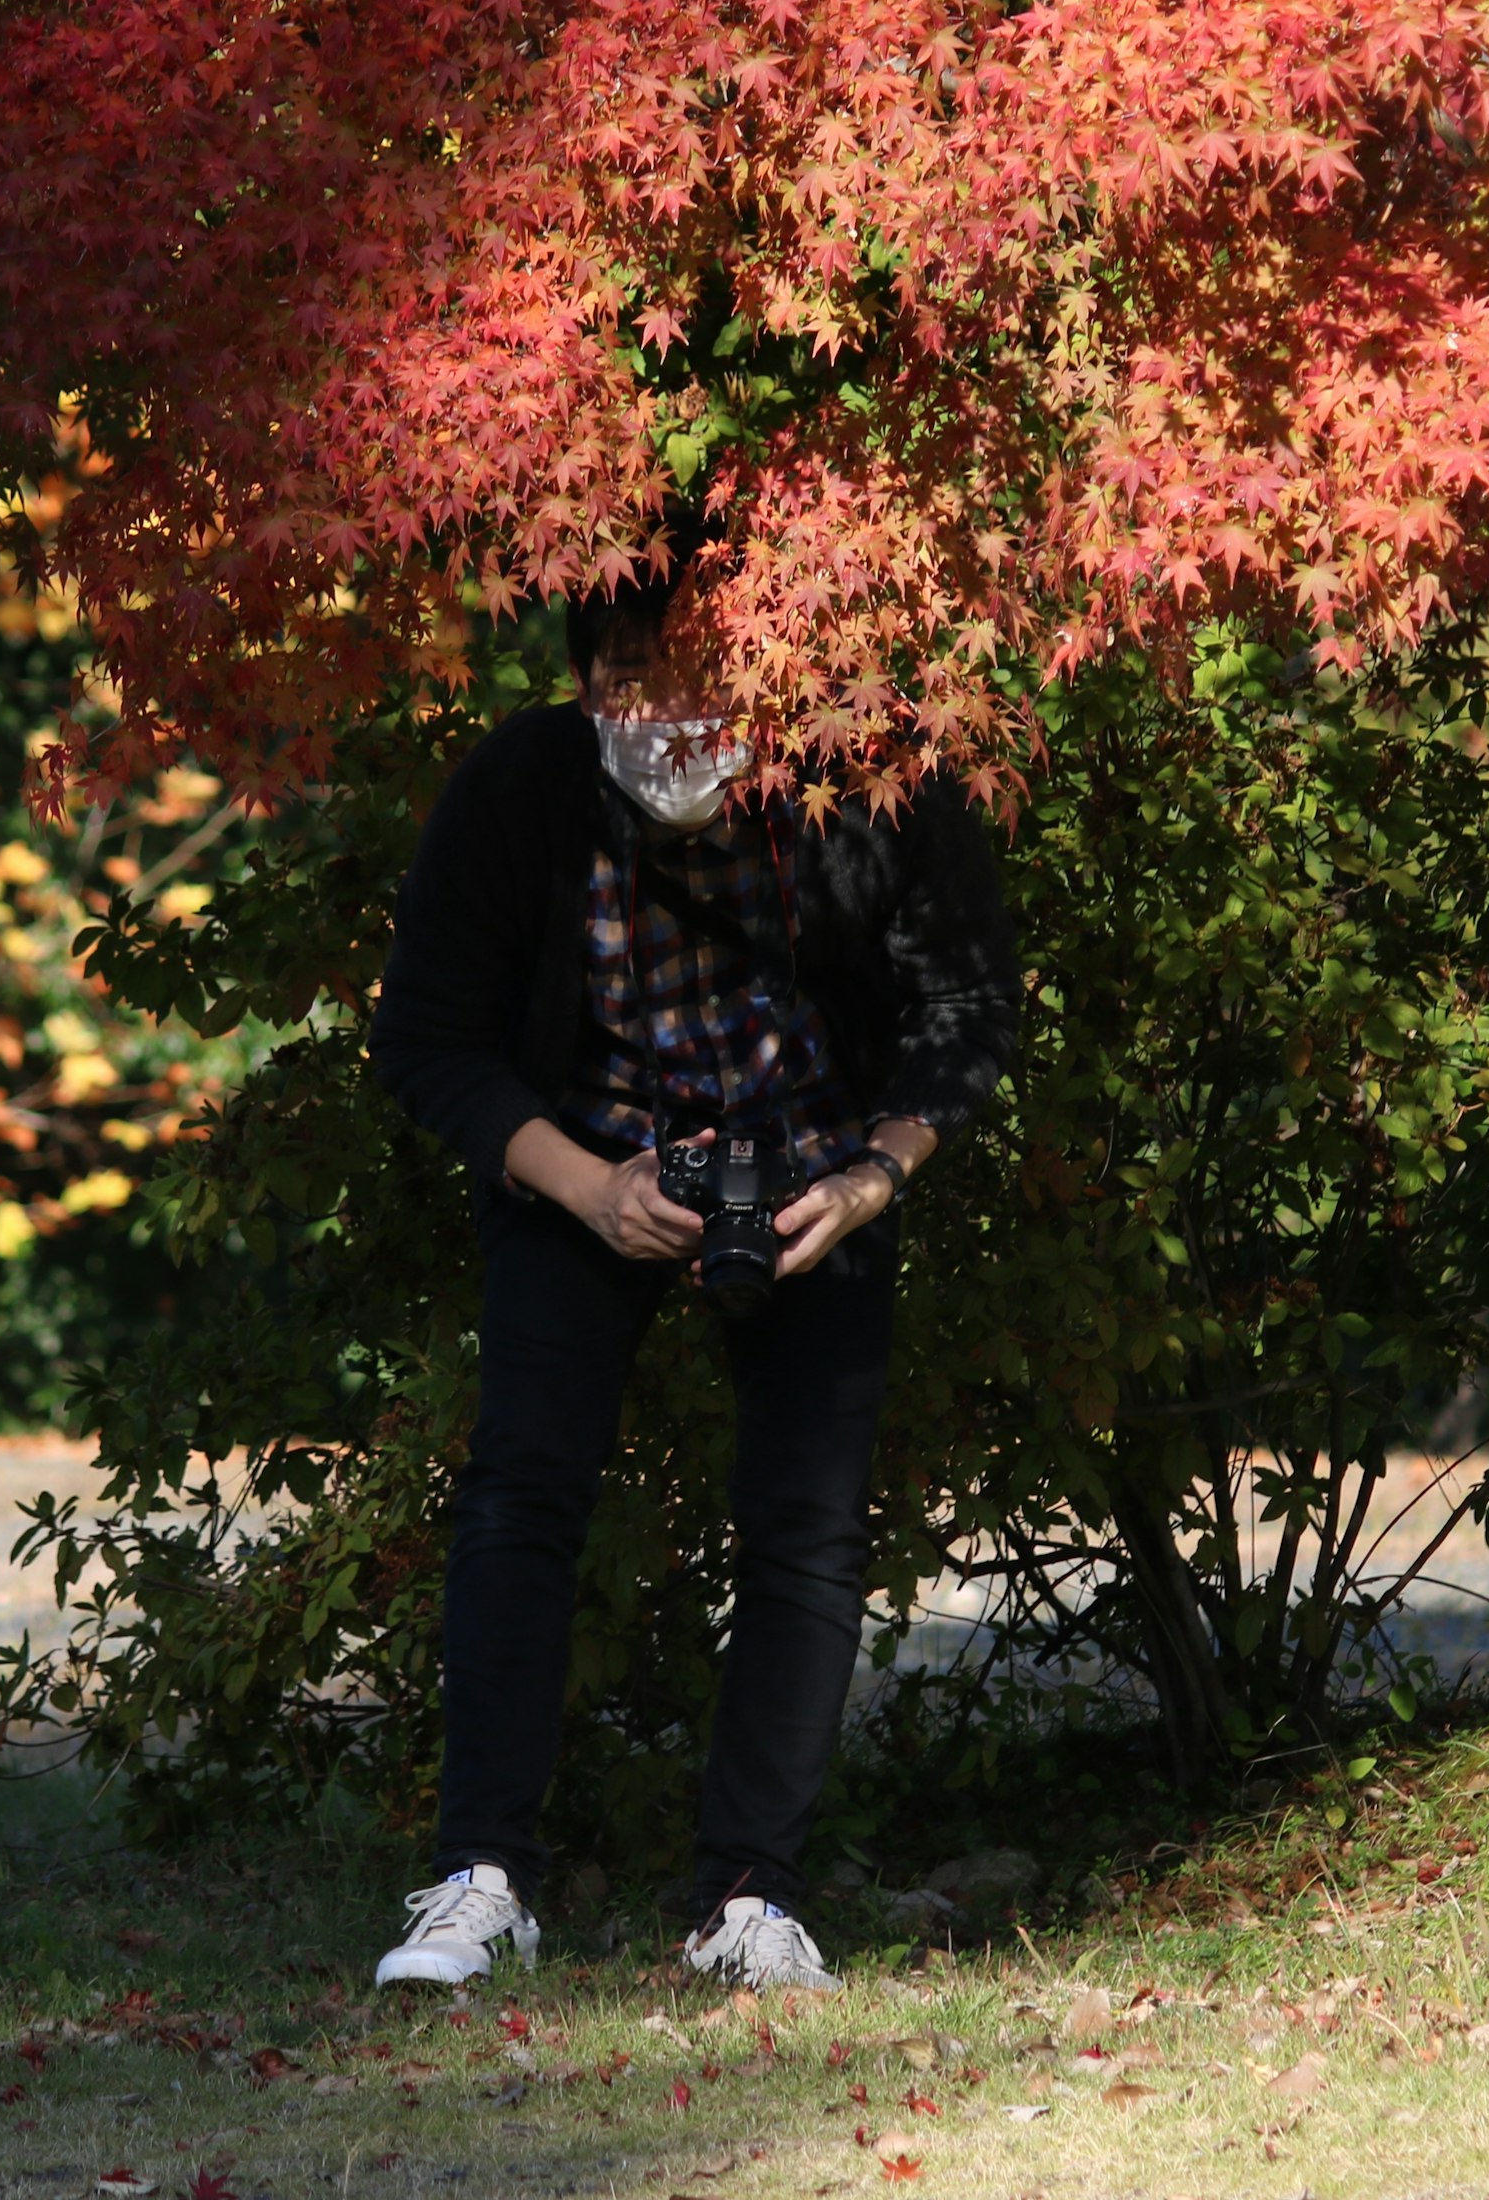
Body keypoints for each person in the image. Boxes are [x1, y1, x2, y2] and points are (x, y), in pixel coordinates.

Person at [361, 570, 1019, 1995]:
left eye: (703, 671)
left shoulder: (869, 780)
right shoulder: (522, 790)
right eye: (634, 671)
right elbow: (428, 1039)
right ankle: (481, 1879)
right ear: (588, 679)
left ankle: (752, 1897)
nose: (670, 709)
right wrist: (587, 1188)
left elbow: (967, 1010)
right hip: (583, 1160)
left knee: (809, 1523)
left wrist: (872, 1179)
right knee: (524, 1486)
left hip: (815, 1171)